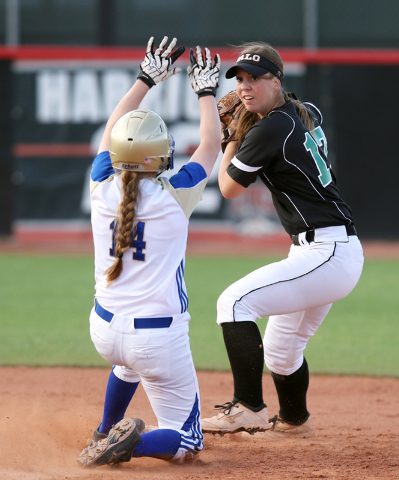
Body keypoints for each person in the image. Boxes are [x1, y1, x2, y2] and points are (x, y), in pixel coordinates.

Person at [201, 42, 364, 439]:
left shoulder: (271, 127)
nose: (244, 87)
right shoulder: (300, 112)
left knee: (234, 302)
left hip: (326, 252)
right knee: (281, 349)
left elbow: (228, 188)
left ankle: (248, 407)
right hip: (329, 250)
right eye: (239, 79)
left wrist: (230, 138)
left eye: (255, 78)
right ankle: (295, 421)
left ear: (276, 80)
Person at [77, 36, 221, 467]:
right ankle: (128, 445)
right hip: (157, 337)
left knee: (127, 364)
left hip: (104, 330)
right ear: (161, 157)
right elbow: (210, 146)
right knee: (188, 441)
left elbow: (111, 134)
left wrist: (145, 78)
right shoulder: (175, 194)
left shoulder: (101, 184)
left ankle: (106, 427)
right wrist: (207, 92)